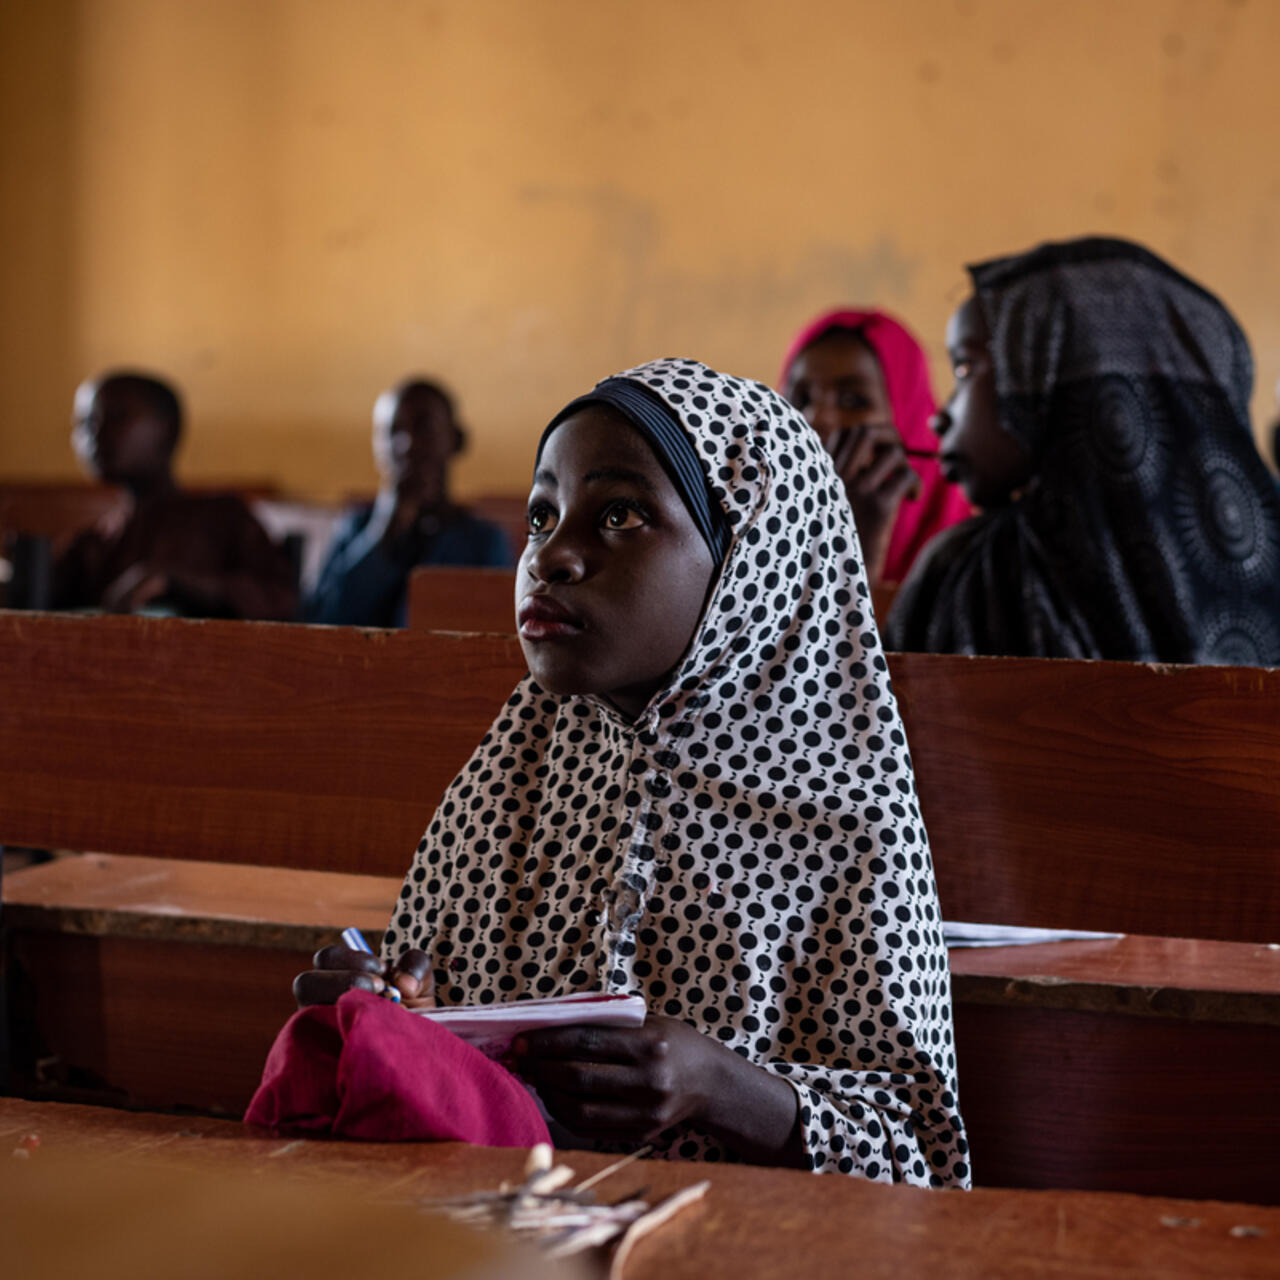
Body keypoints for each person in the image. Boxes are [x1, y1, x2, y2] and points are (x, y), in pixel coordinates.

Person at [294, 358, 970, 1186]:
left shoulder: (846, 822)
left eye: (618, 515)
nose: (552, 557)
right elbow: (440, 1018)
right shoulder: (512, 773)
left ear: (746, 564)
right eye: (543, 516)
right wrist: (390, 1013)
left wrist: (724, 1088)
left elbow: (922, 1162)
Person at [885, 237, 1280, 664]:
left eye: (965, 369)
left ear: (1047, 374)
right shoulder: (1261, 562)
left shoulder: (976, 572)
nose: (938, 418)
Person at [53, 371, 297, 620]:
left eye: (117, 417)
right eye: (84, 423)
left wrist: (177, 585)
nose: (94, 433)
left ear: (167, 430)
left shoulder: (222, 518)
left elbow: (281, 601)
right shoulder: (97, 538)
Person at [779, 308, 970, 586]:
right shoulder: (748, 540)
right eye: (801, 399)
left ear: (910, 422)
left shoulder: (969, 561)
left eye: (852, 400)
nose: (814, 419)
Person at [303, 378, 512, 626]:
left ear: (456, 440)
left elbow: (497, 631)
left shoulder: (483, 541)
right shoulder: (354, 528)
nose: (406, 444)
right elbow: (321, 620)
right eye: (392, 432)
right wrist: (383, 530)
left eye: (424, 428)